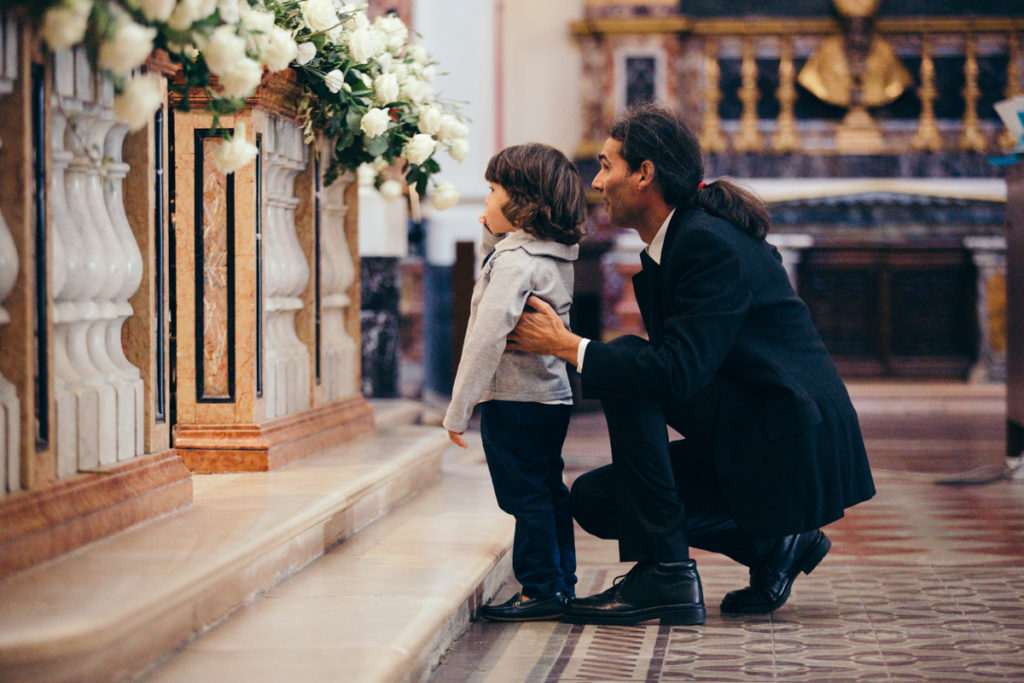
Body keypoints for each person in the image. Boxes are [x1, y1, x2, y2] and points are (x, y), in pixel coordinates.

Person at [506, 104, 875, 626]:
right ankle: (772, 546)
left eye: (607, 166)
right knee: (594, 499)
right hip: (751, 430)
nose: (597, 180)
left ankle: (668, 574)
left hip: (790, 442)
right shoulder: (681, 239)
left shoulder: (706, 241)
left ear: (644, 173)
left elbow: (677, 372)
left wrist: (568, 345)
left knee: (630, 362)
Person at [443, 143, 587, 621]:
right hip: (550, 397)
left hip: (514, 399)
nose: (485, 202)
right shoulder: (551, 256)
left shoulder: (514, 263)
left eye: (492, 191)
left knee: (524, 496)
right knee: (546, 489)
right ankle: (559, 581)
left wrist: (458, 409)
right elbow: (500, 270)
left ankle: (541, 589)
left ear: (522, 202)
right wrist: (492, 238)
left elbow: (484, 338)